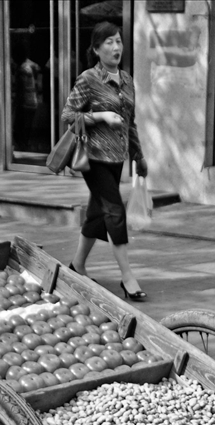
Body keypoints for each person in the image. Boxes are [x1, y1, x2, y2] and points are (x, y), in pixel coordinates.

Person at [62, 21, 149, 301]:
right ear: (97, 49)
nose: (116, 47)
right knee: (114, 211)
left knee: (97, 214)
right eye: (109, 42)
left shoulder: (127, 81)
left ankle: (77, 266)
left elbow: (129, 123)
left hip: (118, 158)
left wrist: (138, 155)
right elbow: (67, 116)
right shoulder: (88, 79)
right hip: (95, 158)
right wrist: (100, 117)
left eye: (119, 41)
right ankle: (127, 277)